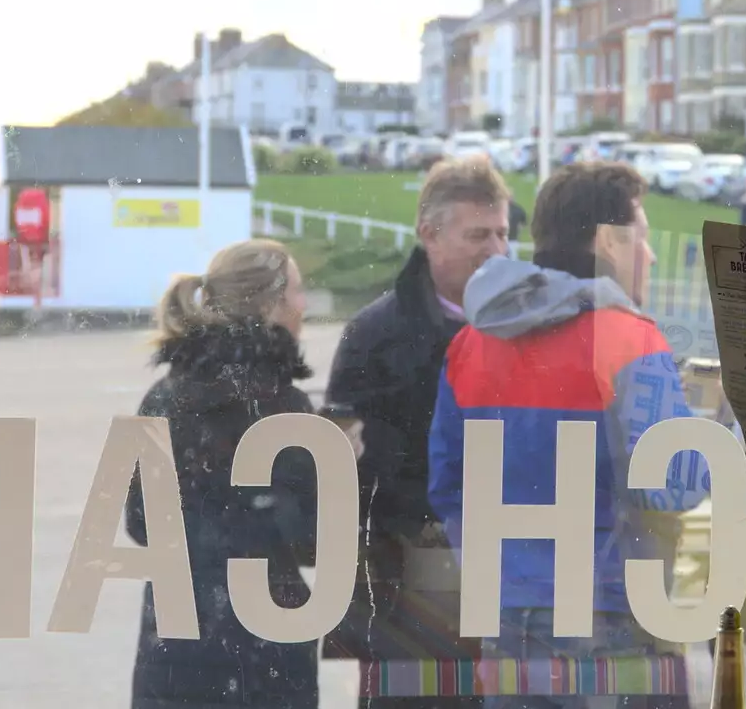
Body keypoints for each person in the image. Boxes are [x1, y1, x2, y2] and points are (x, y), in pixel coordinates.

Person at [427, 161, 707, 709]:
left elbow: (446, 487)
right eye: (642, 240)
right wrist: (727, 434)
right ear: (608, 241)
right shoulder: (629, 341)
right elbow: (675, 486)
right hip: (609, 615)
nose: (648, 256)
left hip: (505, 612)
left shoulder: (470, 345)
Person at [321, 157, 512, 701]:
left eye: (502, 233)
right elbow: (348, 473)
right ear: (429, 233)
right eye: (478, 235)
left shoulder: (527, 328)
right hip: (408, 583)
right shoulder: (374, 335)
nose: (496, 250)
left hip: (510, 580)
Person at [125, 239, 319, 709]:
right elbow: (311, 540)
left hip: (177, 637)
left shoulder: (164, 398)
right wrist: (339, 467)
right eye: (295, 290)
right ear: (271, 303)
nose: (304, 304)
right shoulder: (286, 409)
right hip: (267, 648)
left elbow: (140, 521)